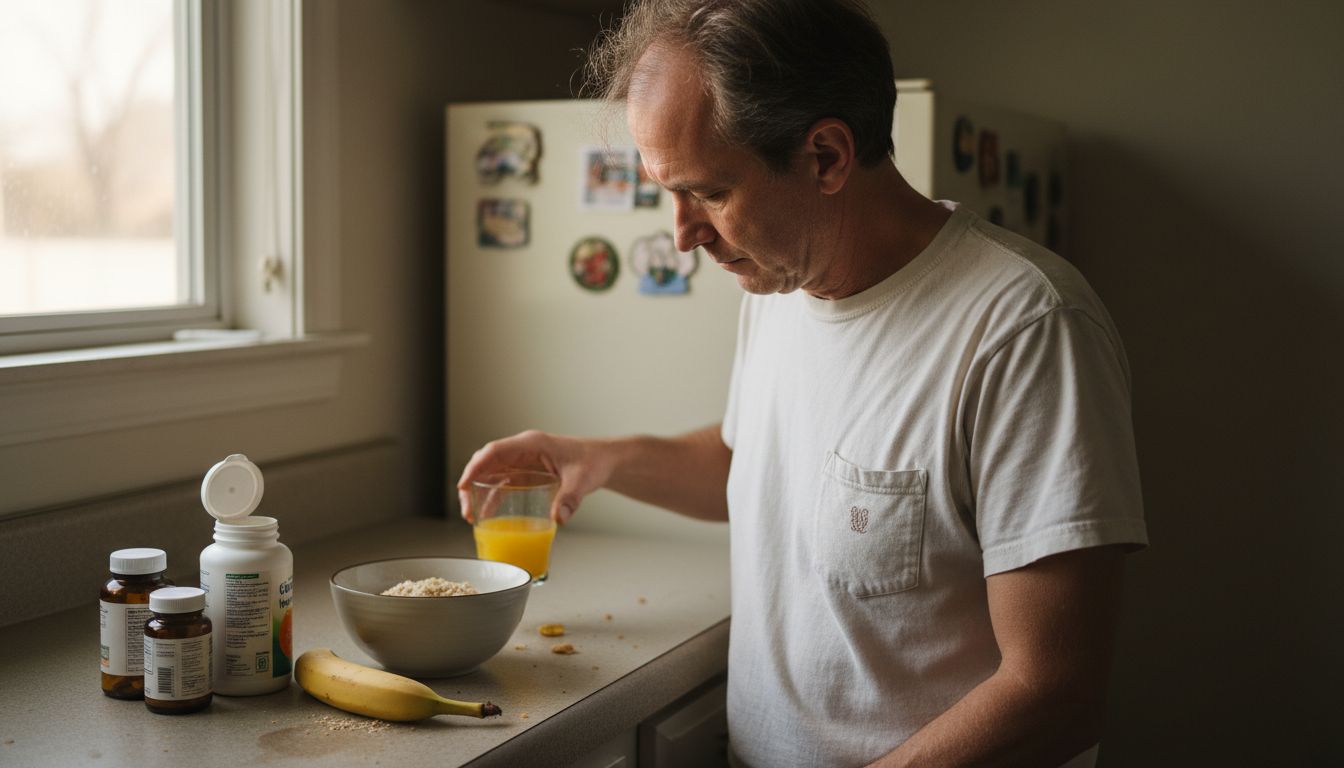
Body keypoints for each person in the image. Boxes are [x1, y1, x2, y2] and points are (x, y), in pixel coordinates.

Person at [457, 1, 1147, 765]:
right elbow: (763, 468)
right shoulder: (782, 281)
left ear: (825, 156)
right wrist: (598, 458)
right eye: (667, 192)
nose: (682, 235)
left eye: (709, 193)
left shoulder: (1023, 328)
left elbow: (1055, 692)